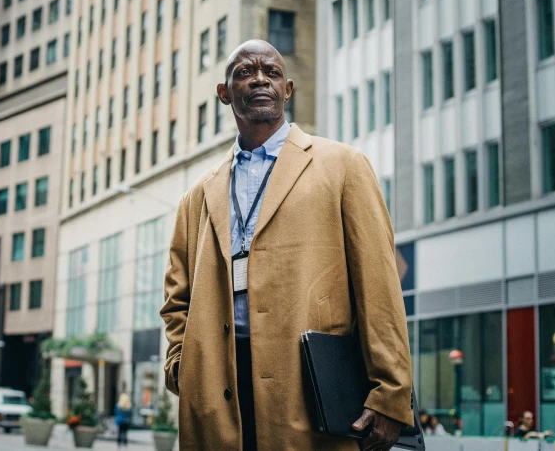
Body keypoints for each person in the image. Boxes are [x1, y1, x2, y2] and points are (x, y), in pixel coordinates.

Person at [160, 40, 414, 451]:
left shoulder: (343, 165)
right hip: (217, 392)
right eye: (245, 72)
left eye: (271, 72)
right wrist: (182, 369)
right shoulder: (198, 195)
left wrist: (391, 393)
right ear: (225, 93)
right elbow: (177, 300)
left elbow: (379, 286)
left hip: (310, 389)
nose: (260, 78)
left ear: (287, 89)